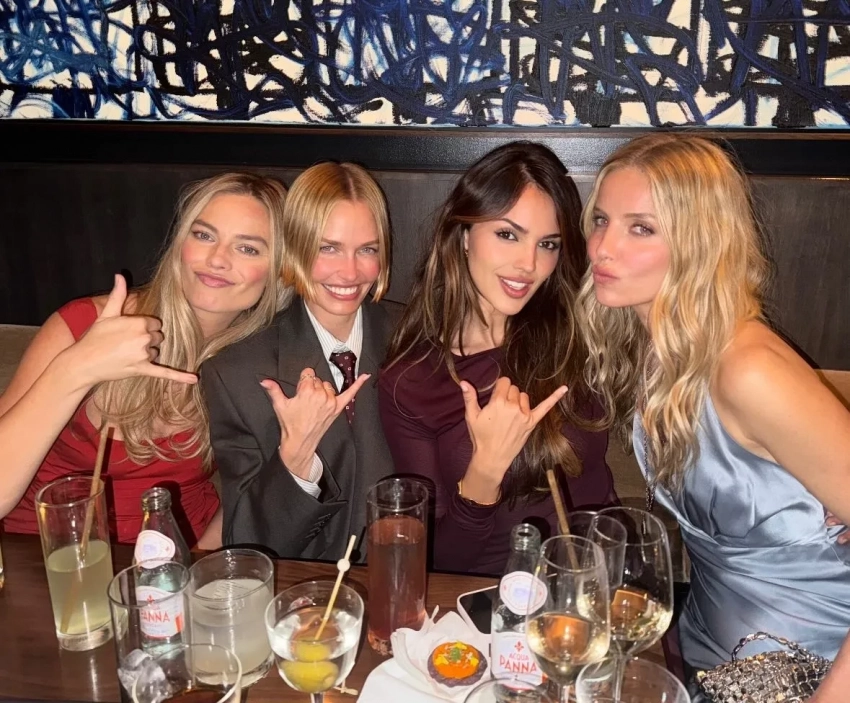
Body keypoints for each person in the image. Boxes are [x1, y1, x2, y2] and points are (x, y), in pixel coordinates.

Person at [578, 133, 850, 671]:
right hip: (707, 642)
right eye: (601, 220)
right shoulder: (661, 353)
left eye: (641, 228)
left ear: (700, 243)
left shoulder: (748, 370)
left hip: (809, 663)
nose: (603, 248)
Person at [0, 172, 289, 546]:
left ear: (280, 270)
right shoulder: (85, 324)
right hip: (49, 555)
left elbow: (248, 494)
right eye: (204, 235)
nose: (217, 259)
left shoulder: (265, 364)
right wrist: (77, 368)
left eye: (247, 248)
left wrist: (198, 566)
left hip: (180, 556)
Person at [378, 142, 618, 576]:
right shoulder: (412, 381)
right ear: (463, 234)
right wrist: (485, 470)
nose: (528, 264)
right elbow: (436, 561)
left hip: (594, 583)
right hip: (488, 598)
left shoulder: (578, 333)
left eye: (548, 244)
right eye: (508, 234)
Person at [201, 162, 400, 561]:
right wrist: (295, 457)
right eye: (328, 248)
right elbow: (249, 544)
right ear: (295, 248)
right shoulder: (235, 373)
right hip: (310, 586)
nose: (349, 271)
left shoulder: (419, 338)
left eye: (367, 249)